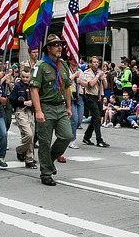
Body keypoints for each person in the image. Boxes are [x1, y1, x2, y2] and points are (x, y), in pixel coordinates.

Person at [30, 34, 72, 186]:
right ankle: (46, 173)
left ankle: (49, 161)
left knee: (67, 136)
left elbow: (67, 86)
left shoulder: (63, 65)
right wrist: (38, 111)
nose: (59, 47)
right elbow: (34, 89)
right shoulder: (40, 66)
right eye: (55, 45)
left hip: (60, 107)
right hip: (46, 107)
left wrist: (68, 107)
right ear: (48, 48)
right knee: (45, 142)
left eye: (60, 45)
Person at [10, 69, 37, 168]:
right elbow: (12, 100)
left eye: (27, 77)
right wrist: (23, 103)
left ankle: (29, 159)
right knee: (28, 134)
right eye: (23, 77)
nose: (25, 79)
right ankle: (20, 150)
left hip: (31, 111)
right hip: (21, 111)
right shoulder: (17, 86)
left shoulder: (33, 85)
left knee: (32, 136)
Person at [81, 56, 109, 147]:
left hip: (99, 96)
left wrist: (103, 77)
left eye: (97, 62)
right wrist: (97, 76)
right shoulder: (87, 72)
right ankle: (99, 140)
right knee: (97, 117)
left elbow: (105, 86)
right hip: (91, 96)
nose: (96, 63)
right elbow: (91, 84)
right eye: (94, 62)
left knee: (95, 118)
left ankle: (86, 136)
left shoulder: (100, 72)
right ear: (90, 63)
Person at [68, 58, 84, 150]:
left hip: (80, 96)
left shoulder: (80, 70)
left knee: (79, 120)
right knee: (74, 119)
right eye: (73, 59)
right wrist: (74, 75)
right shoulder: (67, 69)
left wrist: (80, 81)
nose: (75, 61)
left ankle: (69, 133)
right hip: (71, 95)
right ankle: (72, 140)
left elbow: (86, 83)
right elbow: (67, 80)